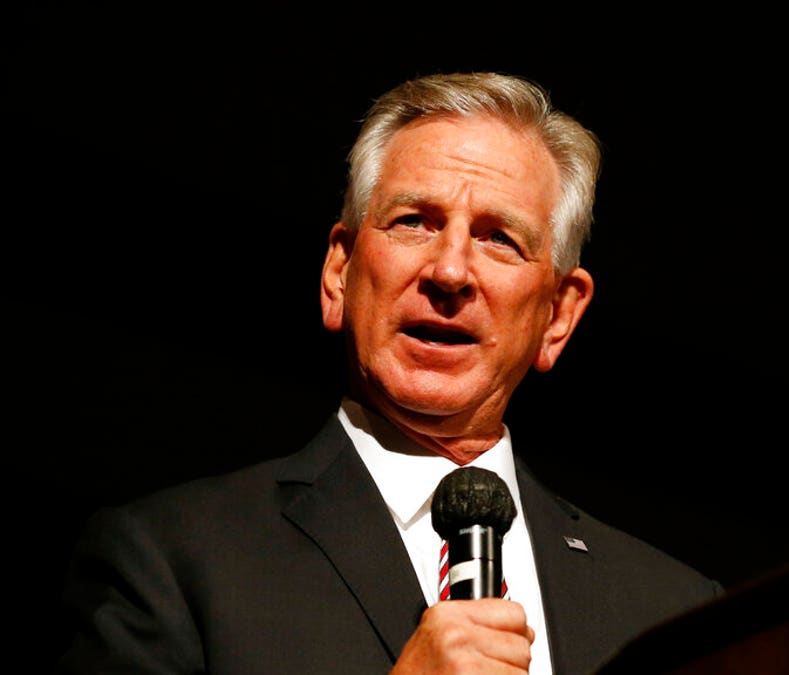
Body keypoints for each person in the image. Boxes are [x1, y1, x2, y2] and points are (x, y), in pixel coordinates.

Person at [56, 71, 723, 674]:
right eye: (412, 222)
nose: (450, 271)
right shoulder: (174, 560)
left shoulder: (675, 611)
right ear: (338, 273)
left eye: (499, 238)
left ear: (558, 314)